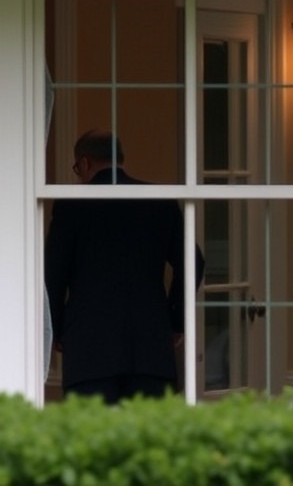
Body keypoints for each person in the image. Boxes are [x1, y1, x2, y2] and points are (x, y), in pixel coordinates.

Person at [45, 129, 204, 404]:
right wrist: (174, 319)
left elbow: (53, 275)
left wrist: (55, 330)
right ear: (119, 159)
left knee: (92, 440)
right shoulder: (160, 201)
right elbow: (194, 262)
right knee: (148, 441)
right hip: (150, 347)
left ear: (84, 163)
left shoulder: (71, 205)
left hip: (88, 348)